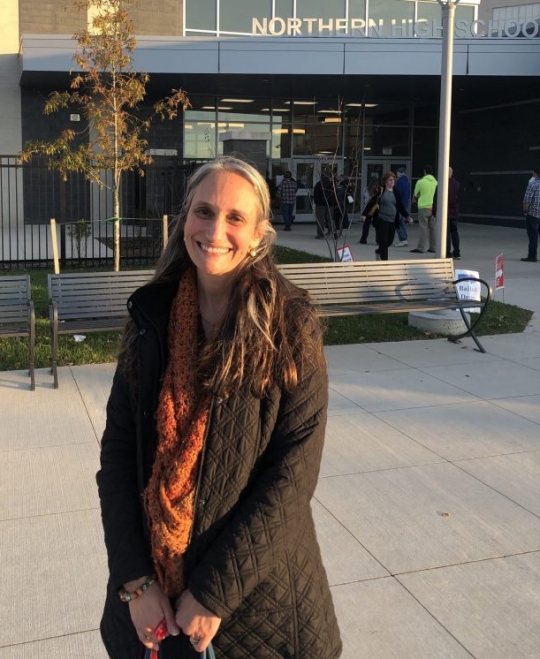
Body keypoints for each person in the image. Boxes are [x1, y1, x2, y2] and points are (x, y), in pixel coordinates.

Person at [96, 156, 342, 659]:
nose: (216, 230)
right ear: (185, 218)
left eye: (235, 218)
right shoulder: (149, 320)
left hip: (260, 610)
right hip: (151, 610)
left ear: (258, 234)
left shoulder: (290, 328)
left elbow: (292, 478)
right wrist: (136, 583)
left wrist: (214, 592)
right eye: (204, 211)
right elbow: (118, 457)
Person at [362, 171, 409, 261]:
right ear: (385, 181)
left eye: (393, 179)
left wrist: (407, 216)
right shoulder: (381, 191)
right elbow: (371, 203)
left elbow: (400, 207)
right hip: (381, 219)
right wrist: (364, 214)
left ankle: (379, 251)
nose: (392, 181)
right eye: (390, 180)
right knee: (383, 242)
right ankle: (385, 262)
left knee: (389, 242)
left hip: (392, 221)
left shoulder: (396, 192)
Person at [432, 166, 461, 259]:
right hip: (454, 212)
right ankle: (457, 252)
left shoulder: (441, 184)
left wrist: (434, 212)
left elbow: (436, 199)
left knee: (446, 233)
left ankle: (447, 252)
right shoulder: (457, 184)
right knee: (454, 232)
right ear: (452, 174)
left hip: (445, 212)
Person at [410, 165, 437, 254]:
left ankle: (421, 247)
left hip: (423, 207)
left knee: (423, 228)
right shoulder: (436, 182)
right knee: (432, 228)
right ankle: (433, 247)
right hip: (433, 208)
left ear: (425, 172)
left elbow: (416, 194)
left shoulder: (420, 182)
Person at [521, 167, 540, 262]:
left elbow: (527, 200)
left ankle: (532, 256)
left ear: (535, 173)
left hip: (533, 214)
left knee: (533, 236)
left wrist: (525, 211)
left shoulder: (533, 185)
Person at [394, 167, 413, 247]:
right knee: (401, 221)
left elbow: (397, 194)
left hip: (399, 205)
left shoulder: (400, 182)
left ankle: (403, 239)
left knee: (397, 222)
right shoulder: (407, 182)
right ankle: (404, 238)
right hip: (404, 204)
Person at [359, 176, 381, 244]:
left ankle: (363, 239)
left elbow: (363, 199)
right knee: (377, 225)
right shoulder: (378, 190)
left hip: (367, 209)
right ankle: (378, 240)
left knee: (366, 224)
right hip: (376, 208)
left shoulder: (366, 189)